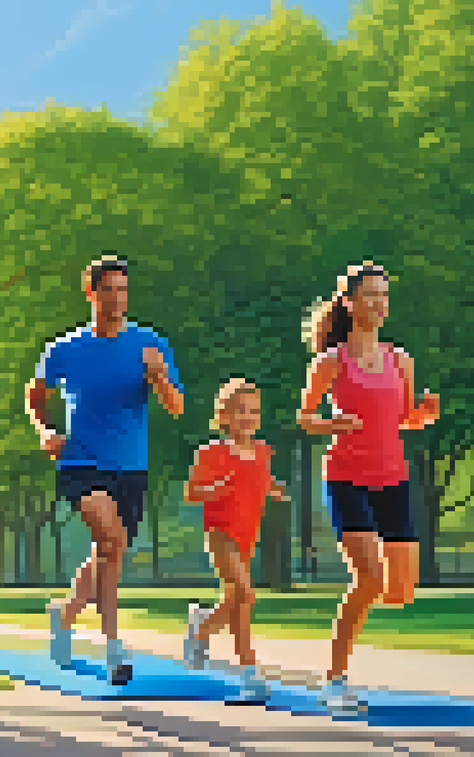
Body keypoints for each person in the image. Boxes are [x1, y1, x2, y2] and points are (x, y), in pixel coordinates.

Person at [25, 256, 184, 685]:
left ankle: (65, 615)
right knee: (110, 540)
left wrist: (159, 378)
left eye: (123, 290)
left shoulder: (150, 345)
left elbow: (176, 407)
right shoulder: (65, 349)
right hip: (80, 462)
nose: (117, 298)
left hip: (131, 467)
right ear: (91, 292)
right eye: (109, 289)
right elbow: (34, 395)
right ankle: (114, 647)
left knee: (107, 551)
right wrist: (45, 431)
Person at [297, 261, 440, 715]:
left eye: (384, 296)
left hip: (392, 477)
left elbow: (405, 421)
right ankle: (334, 680)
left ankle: (338, 667)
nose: (379, 304)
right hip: (346, 477)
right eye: (370, 296)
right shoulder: (330, 362)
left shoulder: (401, 360)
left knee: (401, 590)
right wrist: (331, 422)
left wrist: (424, 416)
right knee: (369, 578)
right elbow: (306, 418)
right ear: (349, 303)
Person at [181, 378, 290, 704]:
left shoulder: (262, 450)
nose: (248, 417)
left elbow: (259, 477)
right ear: (223, 416)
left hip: (247, 536)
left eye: (254, 412)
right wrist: (212, 491)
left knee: (239, 604)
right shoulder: (211, 452)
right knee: (245, 594)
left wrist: (273, 488)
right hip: (220, 533)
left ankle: (207, 634)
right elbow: (191, 492)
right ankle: (248, 670)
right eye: (240, 411)